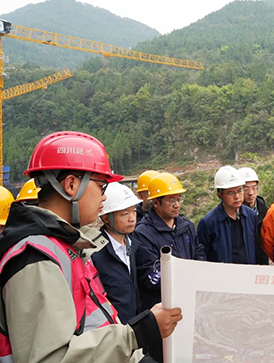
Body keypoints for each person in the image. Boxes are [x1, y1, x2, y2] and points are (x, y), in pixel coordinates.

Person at [0, 131, 181, 363]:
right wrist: (137, 334)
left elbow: (95, 323)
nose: (104, 199)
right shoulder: (36, 258)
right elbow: (51, 357)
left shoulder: (69, 247)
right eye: (101, 187)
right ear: (72, 185)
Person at [134, 172, 206, 311]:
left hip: (188, 298)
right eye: (171, 200)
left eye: (179, 199)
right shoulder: (143, 234)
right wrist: (187, 277)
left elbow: (198, 253)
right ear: (156, 202)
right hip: (162, 306)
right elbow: (151, 276)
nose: (177, 205)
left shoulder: (186, 226)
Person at [92, 182, 144, 324]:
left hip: (133, 327)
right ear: (106, 218)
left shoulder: (132, 245)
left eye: (134, 211)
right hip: (111, 330)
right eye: (124, 214)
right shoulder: (96, 253)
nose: (132, 218)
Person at [197, 166, 257, 264]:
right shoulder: (209, 223)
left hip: (248, 274)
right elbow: (202, 256)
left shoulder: (250, 216)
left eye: (239, 190)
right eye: (230, 193)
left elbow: (257, 248)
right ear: (219, 195)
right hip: (222, 276)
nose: (237, 196)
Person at [239, 167, 270, 265]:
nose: (251, 193)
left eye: (253, 187)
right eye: (246, 188)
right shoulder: (232, 215)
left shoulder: (267, 212)